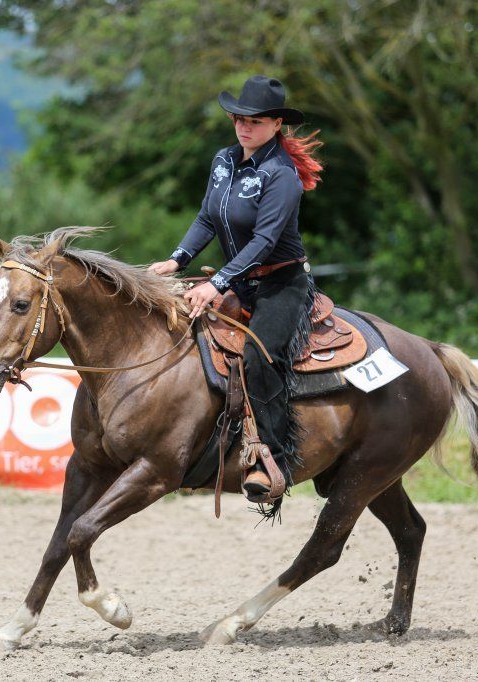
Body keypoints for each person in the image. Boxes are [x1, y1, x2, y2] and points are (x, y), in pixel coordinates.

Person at [149, 74, 322, 503]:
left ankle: (274, 460)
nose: (245, 127)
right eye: (240, 118)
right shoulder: (224, 160)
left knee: (261, 359)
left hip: (281, 284)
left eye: (258, 121)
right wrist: (177, 259)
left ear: (277, 124)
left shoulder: (281, 174)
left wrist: (217, 282)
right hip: (240, 281)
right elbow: (208, 217)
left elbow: (265, 241)